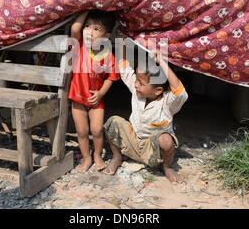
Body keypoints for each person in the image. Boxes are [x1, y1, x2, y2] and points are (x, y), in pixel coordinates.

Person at [103, 40, 188, 183]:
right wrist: (123, 44)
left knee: (166, 140)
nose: (136, 84)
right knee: (113, 122)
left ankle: (167, 167)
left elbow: (180, 92)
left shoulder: (167, 103)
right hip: (133, 142)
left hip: (152, 150)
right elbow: (124, 67)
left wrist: (161, 61)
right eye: (136, 79)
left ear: (158, 90)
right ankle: (117, 157)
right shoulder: (136, 90)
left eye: (141, 83)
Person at [68, 10, 120, 172]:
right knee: (82, 131)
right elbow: (75, 30)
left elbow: (111, 77)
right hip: (77, 98)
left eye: (96, 29)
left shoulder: (108, 55)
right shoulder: (79, 47)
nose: (89, 31)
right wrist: (86, 9)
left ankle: (97, 154)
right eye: (87, 26)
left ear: (106, 36)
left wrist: (100, 94)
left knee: (97, 130)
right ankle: (86, 158)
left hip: (96, 100)